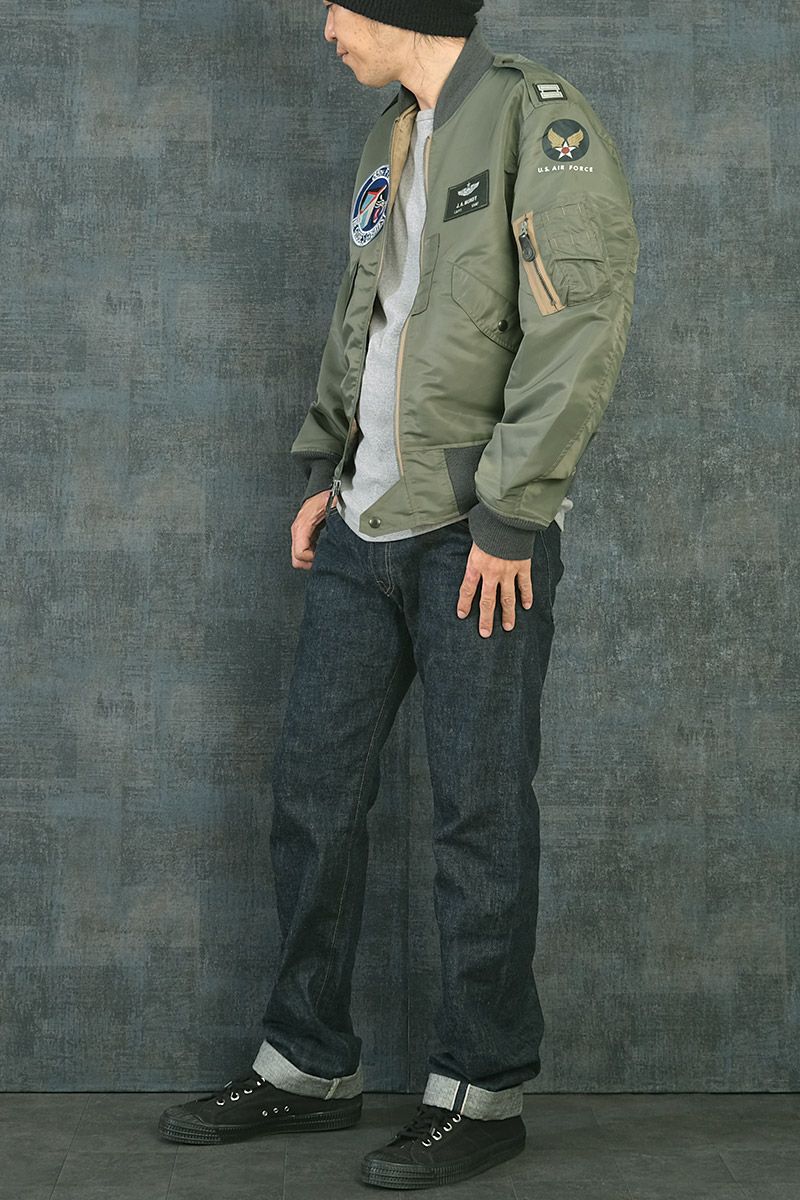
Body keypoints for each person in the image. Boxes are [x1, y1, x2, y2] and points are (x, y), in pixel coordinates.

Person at [158, 0, 639, 1190]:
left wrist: (511, 515)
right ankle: (304, 1063)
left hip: (474, 543)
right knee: (312, 794)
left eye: (338, 5)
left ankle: (479, 1087)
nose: (326, 26)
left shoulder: (538, 121)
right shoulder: (392, 133)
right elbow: (363, 310)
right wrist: (325, 468)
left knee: (477, 815)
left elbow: (577, 327)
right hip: (363, 525)